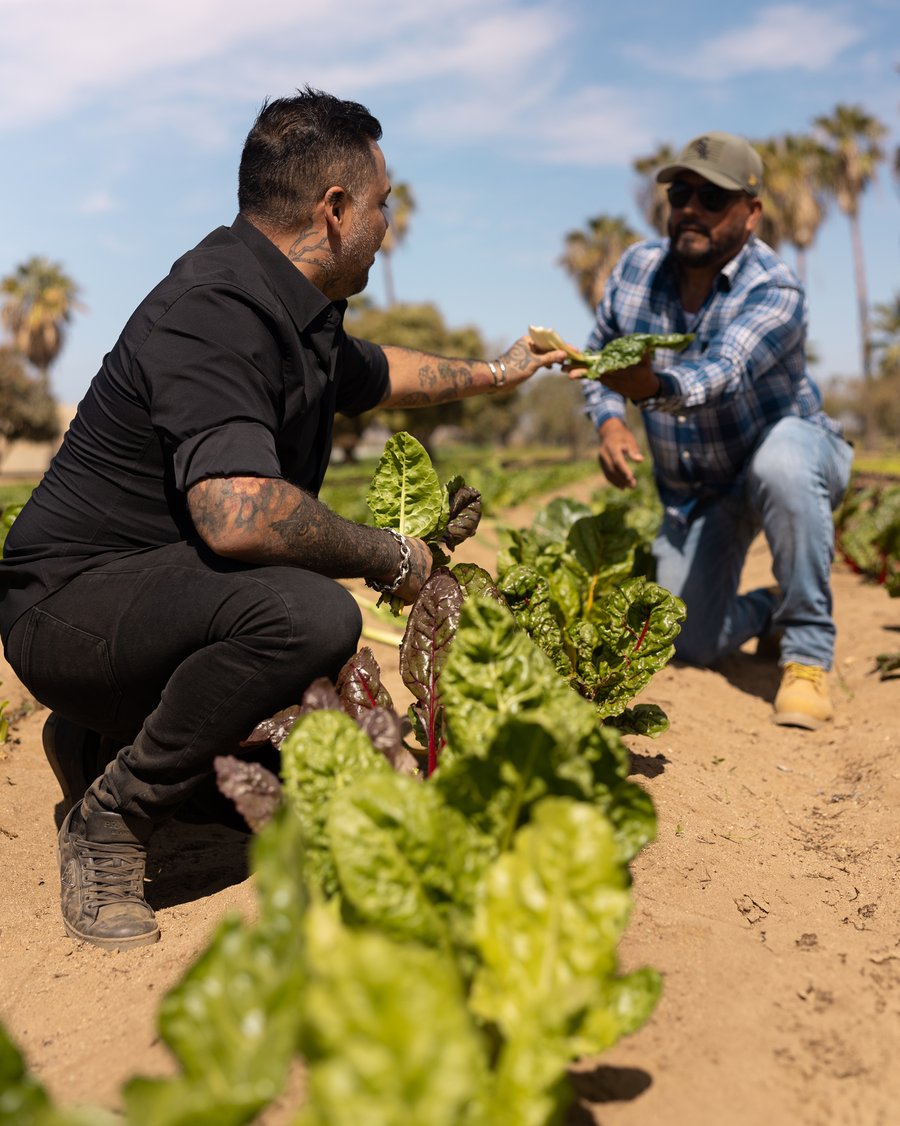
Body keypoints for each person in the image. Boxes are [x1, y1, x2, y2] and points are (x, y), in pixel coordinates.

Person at [0, 87, 564, 952]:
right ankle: (114, 819)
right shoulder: (215, 310)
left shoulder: (295, 311)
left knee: (270, 779)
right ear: (334, 209)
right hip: (67, 610)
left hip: (152, 601)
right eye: (382, 204)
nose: (387, 224)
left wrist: (500, 371)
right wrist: (389, 555)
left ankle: (92, 743)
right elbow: (236, 515)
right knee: (309, 616)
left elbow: (384, 373)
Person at [580, 131, 852, 732]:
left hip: (788, 455)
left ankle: (807, 655)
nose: (691, 210)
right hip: (700, 494)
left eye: (712, 198)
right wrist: (609, 422)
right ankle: (771, 609)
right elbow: (597, 360)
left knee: (781, 461)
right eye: (680, 194)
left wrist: (652, 387)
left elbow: (725, 370)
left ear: (751, 212)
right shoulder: (636, 270)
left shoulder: (774, 288)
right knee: (689, 641)